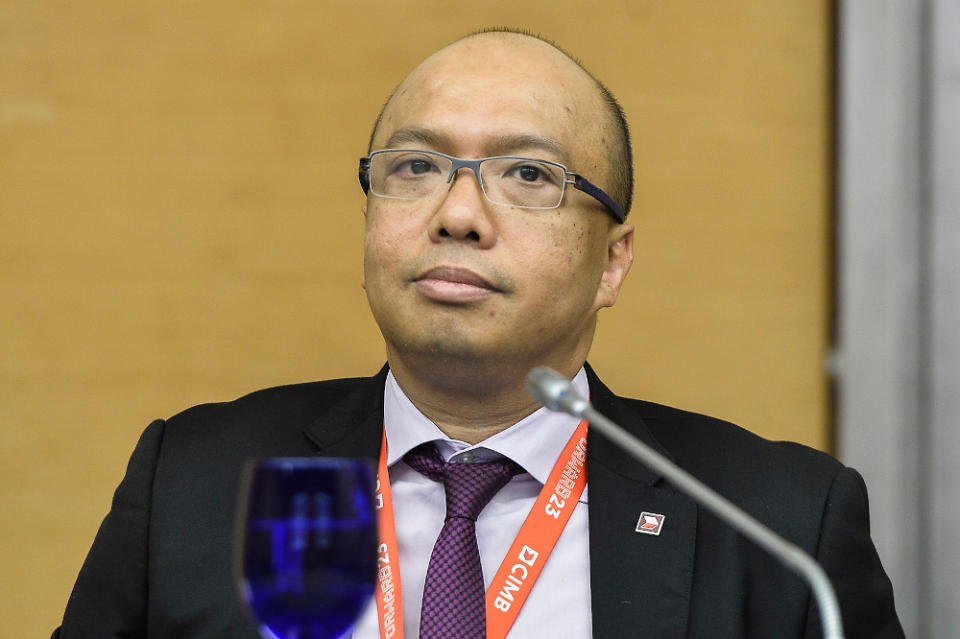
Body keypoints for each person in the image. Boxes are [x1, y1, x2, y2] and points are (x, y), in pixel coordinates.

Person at [53, 29, 903, 638]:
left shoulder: (779, 525)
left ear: (613, 262)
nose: (457, 213)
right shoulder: (193, 480)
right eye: (415, 167)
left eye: (528, 174)